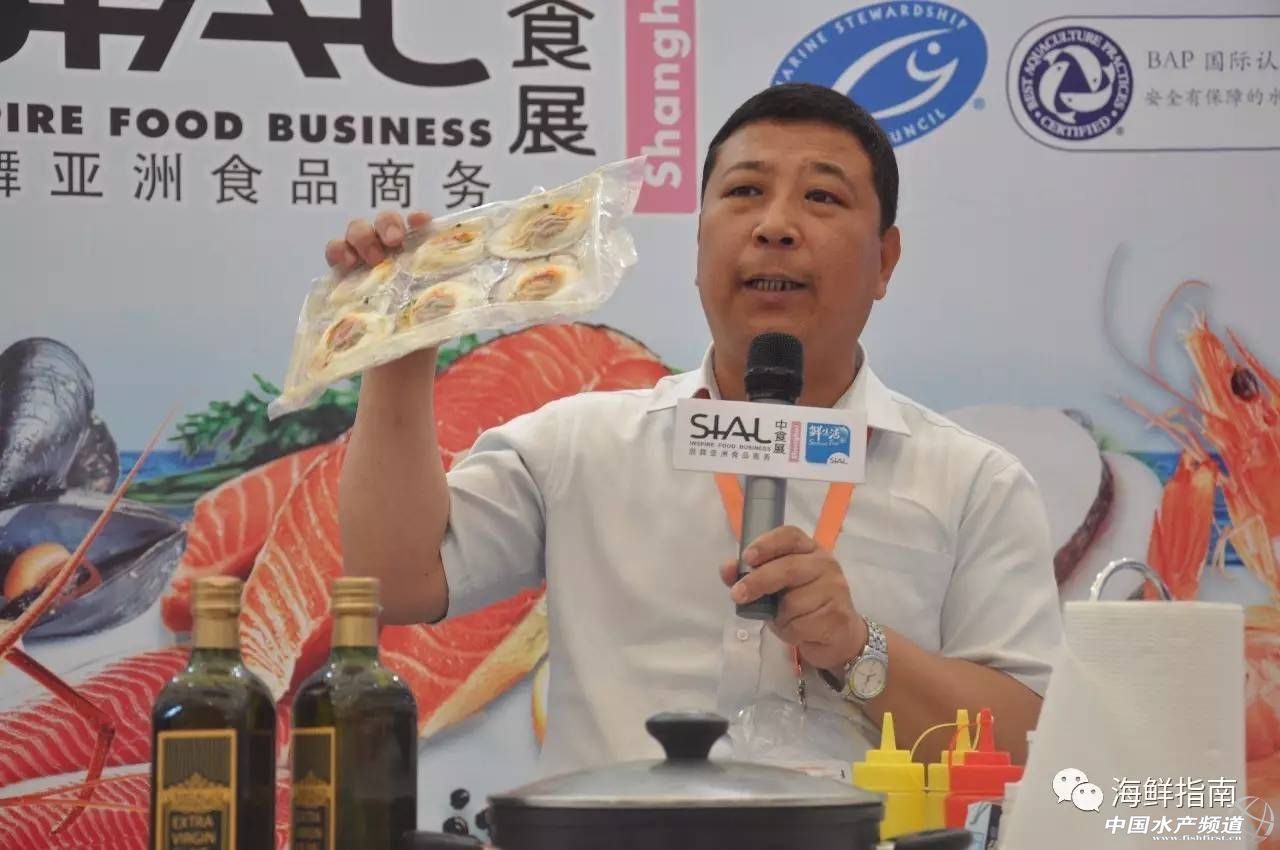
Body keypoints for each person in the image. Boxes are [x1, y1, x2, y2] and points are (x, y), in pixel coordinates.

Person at [328, 83, 1064, 776]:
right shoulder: (578, 446)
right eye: (744, 192)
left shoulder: (972, 482)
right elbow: (393, 580)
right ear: (699, 242)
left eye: (821, 197)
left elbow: (1032, 742)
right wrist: (400, 344)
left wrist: (855, 646)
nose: (775, 226)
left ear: (885, 260)